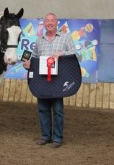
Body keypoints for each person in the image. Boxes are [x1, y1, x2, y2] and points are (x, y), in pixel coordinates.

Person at [23, 13, 76, 148]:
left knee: (58, 110)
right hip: (42, 79)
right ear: (44, 23)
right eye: (47, 21)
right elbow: (34, 56)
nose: (50, 23)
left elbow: (74, 52)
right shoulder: (39, 40)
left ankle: (57, 138)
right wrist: (28, 64)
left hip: (58, 79)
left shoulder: (65, 37)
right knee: (43, 109)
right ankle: (45, 136)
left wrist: (61, 53)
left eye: (52, 20)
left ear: (57, 22)